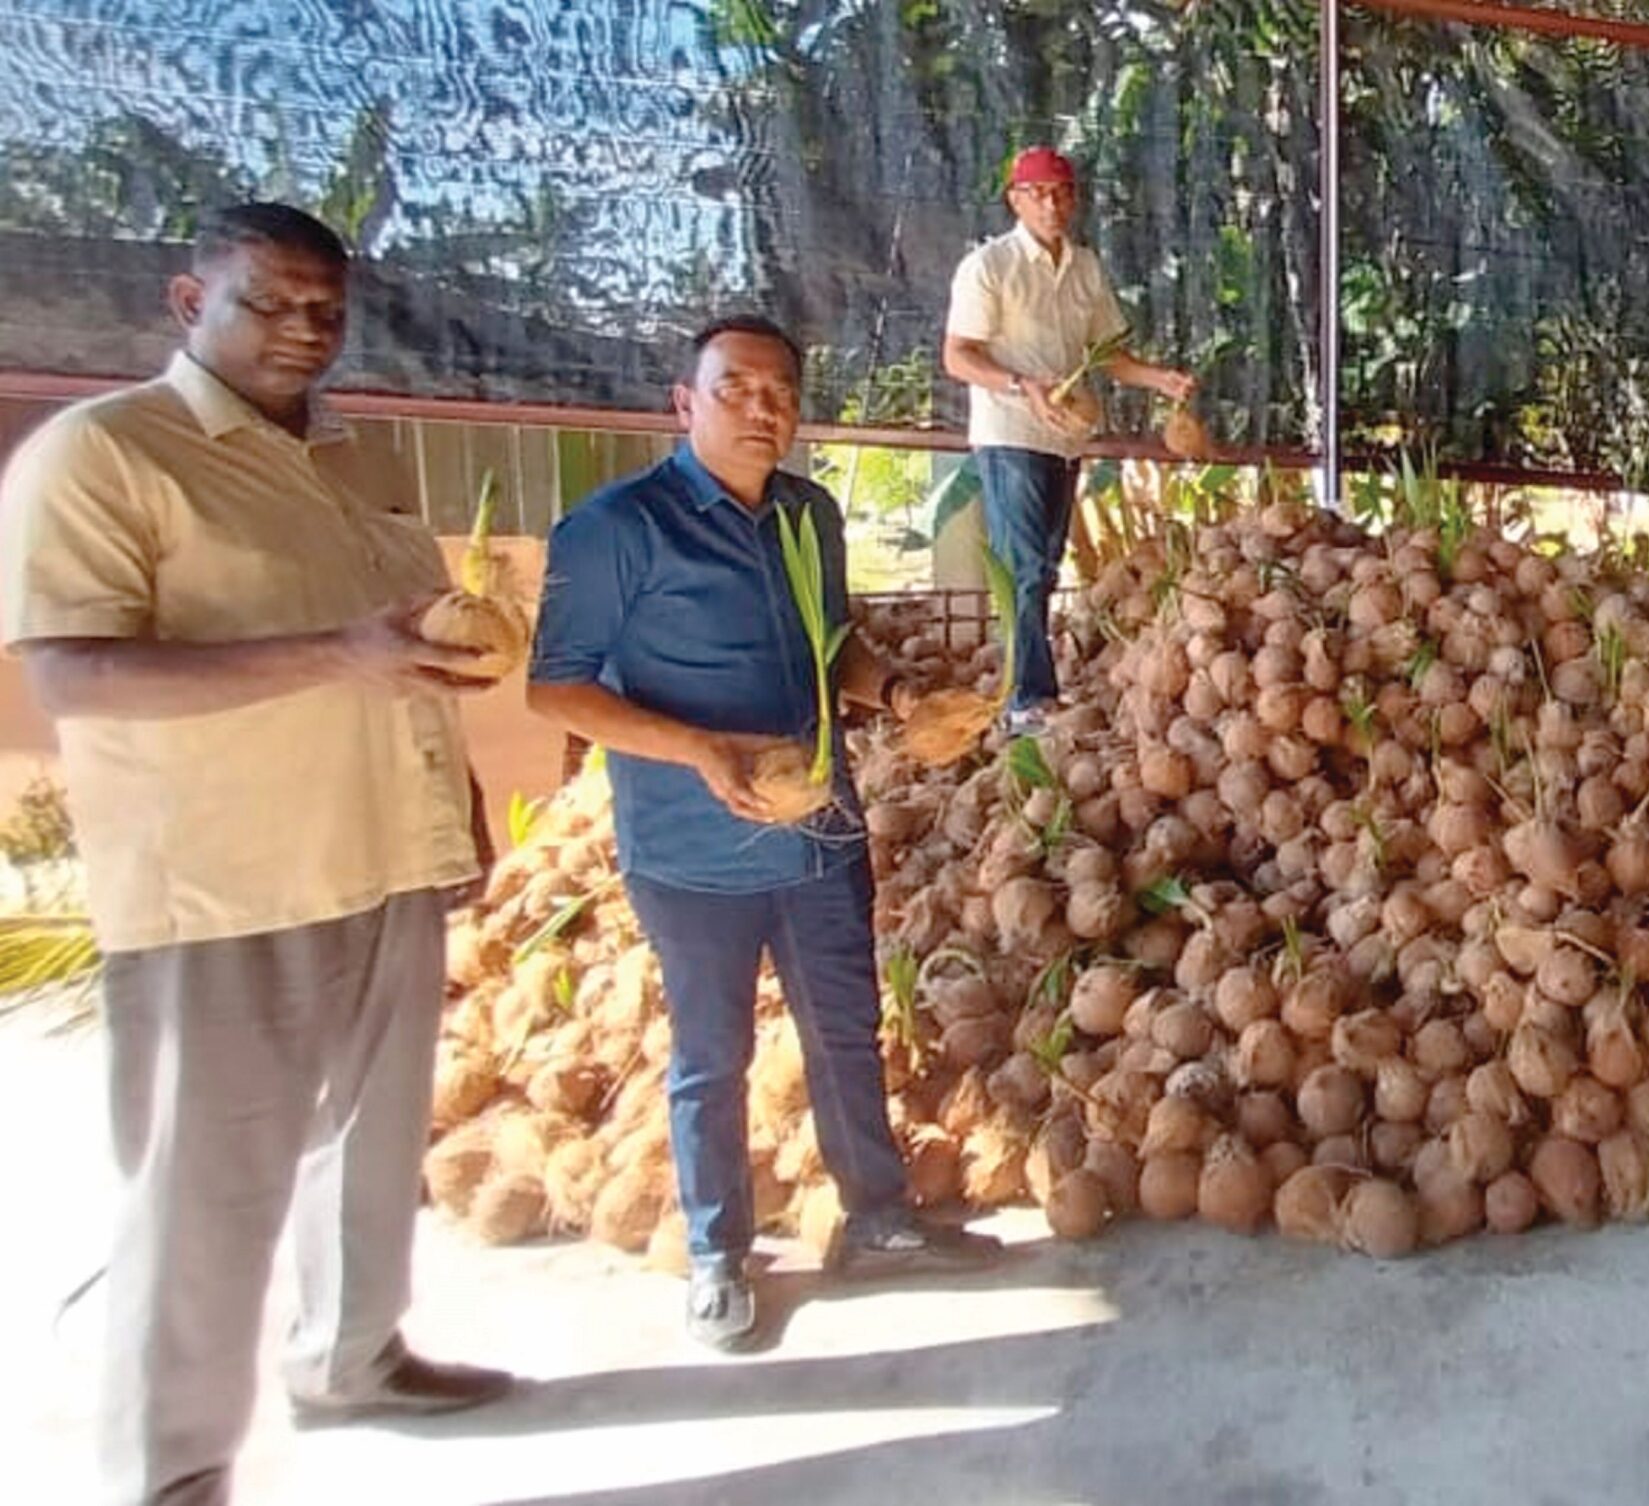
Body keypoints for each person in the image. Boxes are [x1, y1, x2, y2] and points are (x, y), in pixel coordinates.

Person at [0, 203, 513, 1505]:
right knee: (201, 1201)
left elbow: (410, 657)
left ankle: (353, 1354)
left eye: (323, 311)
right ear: (191, 303)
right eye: (266, 302)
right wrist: (337, 654)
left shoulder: (352, 459)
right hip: (226, 889)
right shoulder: (103, 456)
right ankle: (168, 1472)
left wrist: (454, 793)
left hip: (388, 855)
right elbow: (71, 673)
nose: (299, 331)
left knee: (373, 1142)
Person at [527, 314, 999, 1352]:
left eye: (779, 391)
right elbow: (555, 690)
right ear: (683, 404)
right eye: (734, 387)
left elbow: (833, 648)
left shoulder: (809, 515)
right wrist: (699, 750)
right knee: (712, 1050)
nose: (760, 407)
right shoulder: (614, 528)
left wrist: (903, 692)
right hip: (693, 847)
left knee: (845, 1028)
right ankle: (717, 1253)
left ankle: (876, 1216)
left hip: (817, 828)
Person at [941, 144, 1195, 732]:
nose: (1050, 204)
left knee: (1045, 566)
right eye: (1037, 194)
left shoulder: (1084, 268)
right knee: (1024, 564)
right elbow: (957, 356)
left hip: (1064, 436)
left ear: (1074, 200)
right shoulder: (990, 267)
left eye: (1060, 193)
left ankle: (1031, 693)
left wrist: (1160, 380)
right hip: (1010, 432)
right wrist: (1019, 385)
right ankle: (1024, 701)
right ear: (1015, 200)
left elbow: (1108, 355)